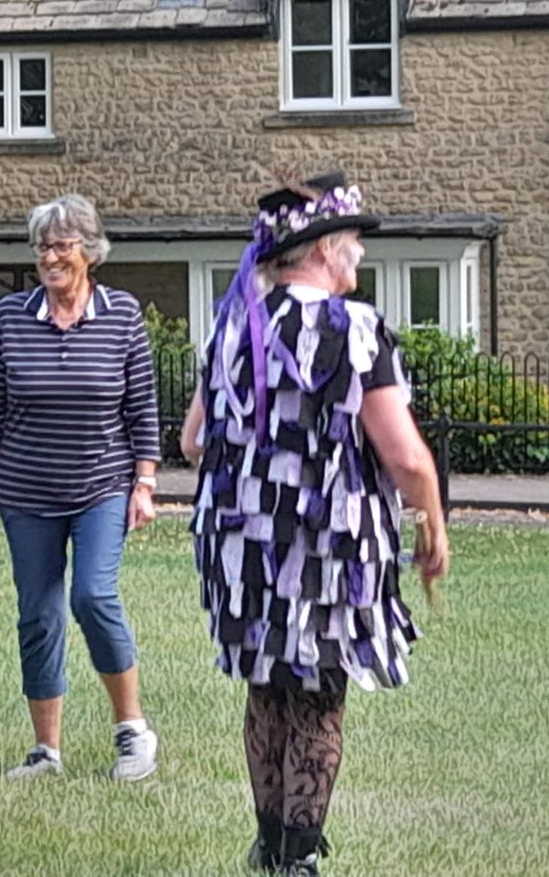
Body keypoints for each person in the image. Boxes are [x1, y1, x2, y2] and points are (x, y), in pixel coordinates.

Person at [182, 174, 448, 875]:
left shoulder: (234, 324)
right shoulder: (351, 329)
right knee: (318, 698)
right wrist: (433, 522)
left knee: (268, 689)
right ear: (325, 249)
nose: (358, 253)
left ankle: (267, 846)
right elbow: (405, 456)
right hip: (326, 547)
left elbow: (191, 441)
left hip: (244, 546)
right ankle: (297, 858)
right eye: (353, 240)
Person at [0, 194, 162, 782]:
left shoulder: (122, 315)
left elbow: (143, 409)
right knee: (39, 614)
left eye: (61, 245)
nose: (49, 257)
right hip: (27, 491)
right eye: (41, 247)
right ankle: (45, 751)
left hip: (102, 484)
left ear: (89, 252)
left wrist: (145, 483)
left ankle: (132, 731)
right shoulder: (11, 317)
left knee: (92, 597)